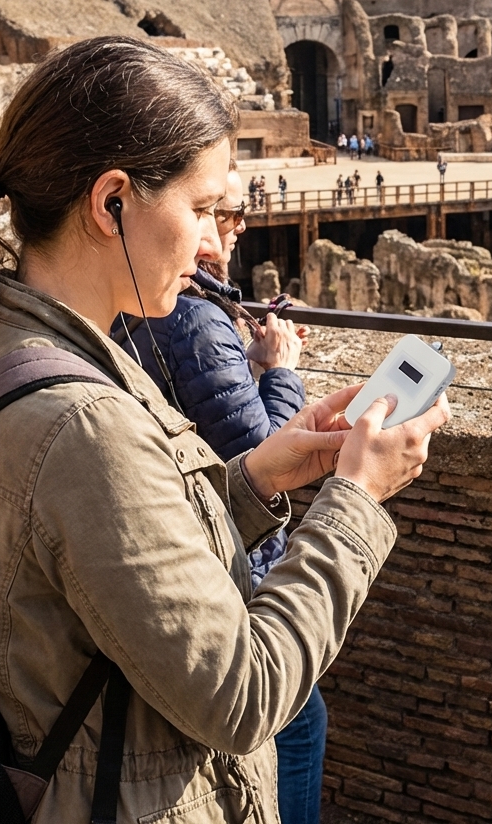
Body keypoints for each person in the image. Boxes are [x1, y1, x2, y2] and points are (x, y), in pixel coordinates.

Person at [0, 36, 449, 824]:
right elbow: (241, 695)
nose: (216, 238)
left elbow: (98, 555)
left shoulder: (9, 339)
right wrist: (358, 498)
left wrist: (256, 479)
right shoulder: (79, 423)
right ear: (112, 200)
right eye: (204, 206)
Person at [118, 165, 324, 824]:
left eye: (232, 214)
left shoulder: (125, 299)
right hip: (234, 563)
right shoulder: (199, 321)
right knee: (294, 719)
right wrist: (282, 371)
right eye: (220, 211)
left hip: (174, 548)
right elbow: (261, 457)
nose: (231, 231)